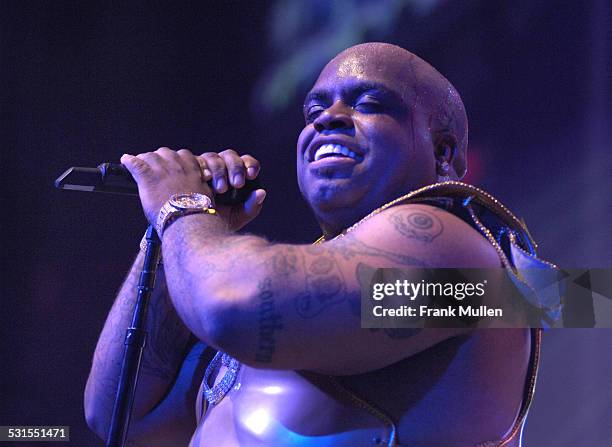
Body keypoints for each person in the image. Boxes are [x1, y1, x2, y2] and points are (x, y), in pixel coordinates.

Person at [85, 43, 547, 446]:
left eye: (369, 103)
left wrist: (181, 208)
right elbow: (120, 419)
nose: (329, 118)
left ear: (443, 154)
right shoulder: (305, 308)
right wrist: (168, 235)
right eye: (313, 111)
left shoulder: (450, 250)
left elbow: (234, 305)